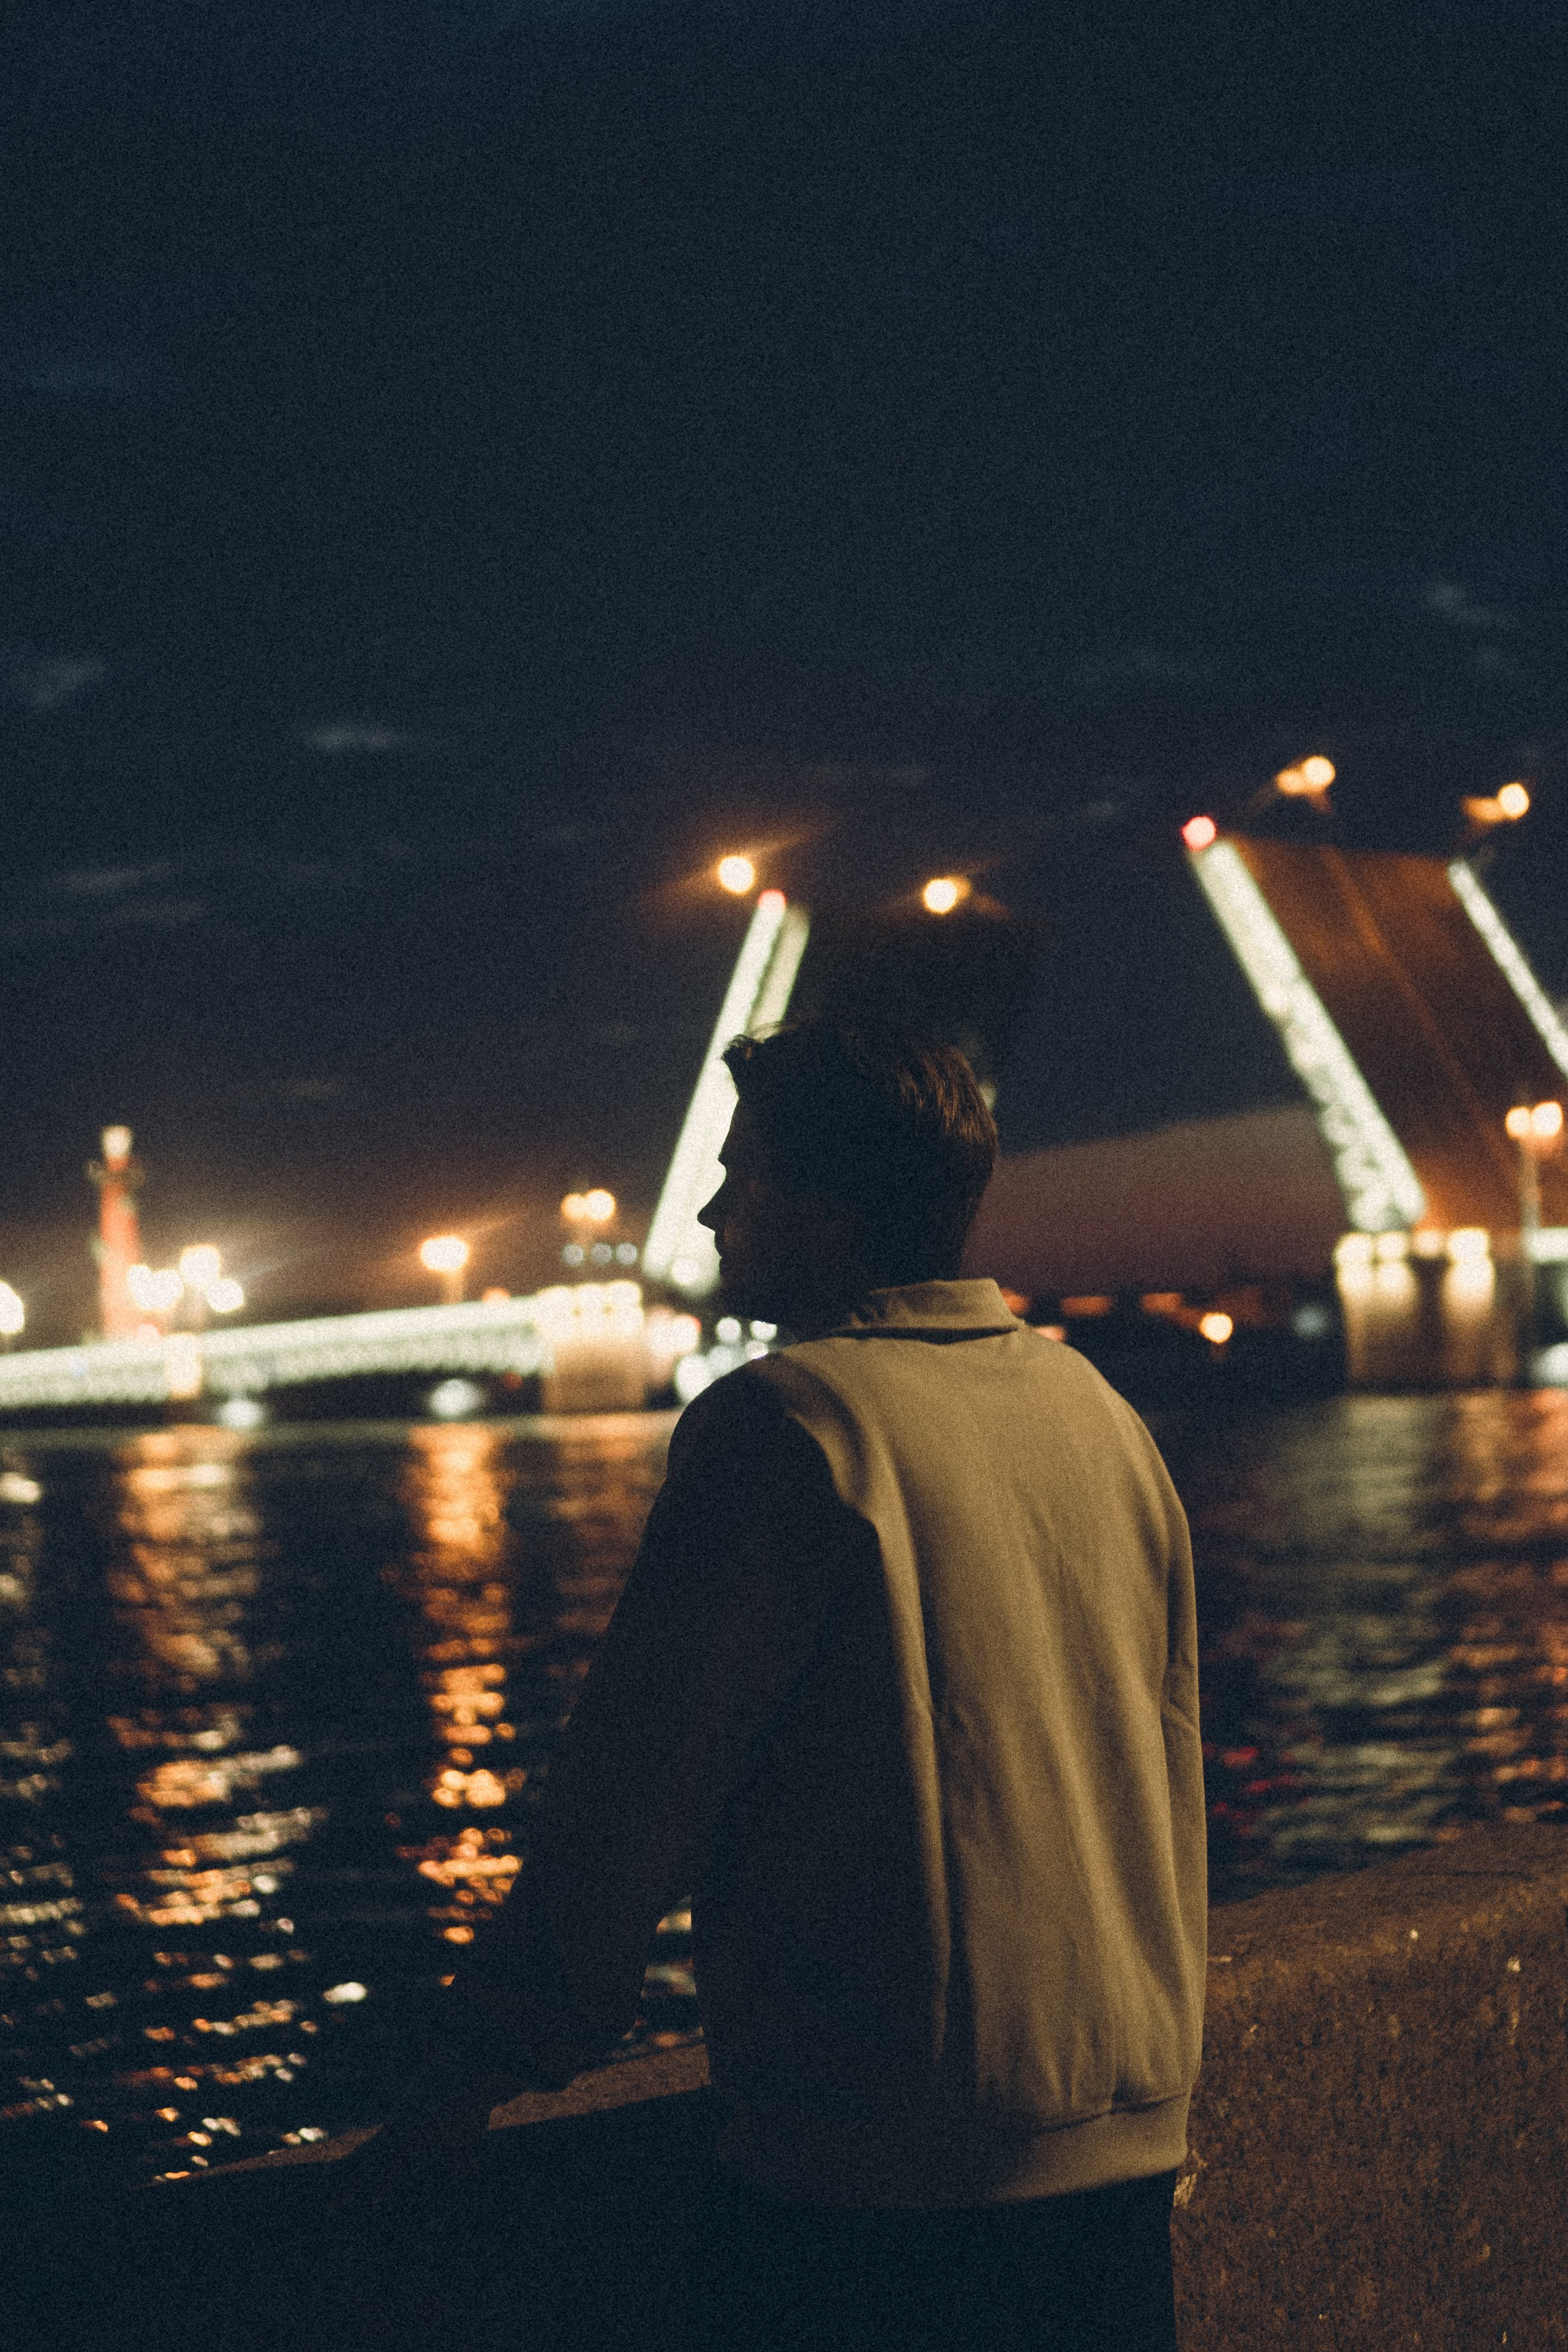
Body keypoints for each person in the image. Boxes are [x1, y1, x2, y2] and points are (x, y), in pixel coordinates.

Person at [345, 1021, 1207, 2349]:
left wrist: (468, 2077)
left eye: (741, 1177)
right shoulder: (1096, 1411)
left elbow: (633, 1798)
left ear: (827, 1206)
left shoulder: (786, 1426)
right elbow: (1156, 1742)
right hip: (1124, 2153)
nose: (708, 1207)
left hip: (884, 2182)